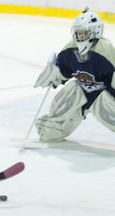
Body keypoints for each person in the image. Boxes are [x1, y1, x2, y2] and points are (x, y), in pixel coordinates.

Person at [33, 7, 115, 142]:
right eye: (77, 33)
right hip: (85, 92)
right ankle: (56, 126)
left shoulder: (106, 52)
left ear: (96, 32)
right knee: (72, 90)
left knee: (101, 105)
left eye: (84, 33)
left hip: (106, 95)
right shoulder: (70, 50)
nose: (79, 37)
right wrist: (54, 74)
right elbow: (62, 70)